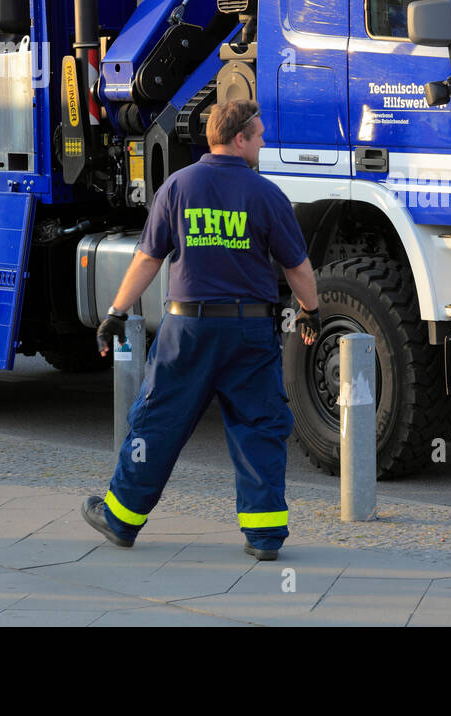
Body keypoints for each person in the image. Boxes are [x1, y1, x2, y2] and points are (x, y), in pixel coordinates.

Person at [80, 99, 320, 560]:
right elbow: (298, 268)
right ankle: (264, 534)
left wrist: (115, 311)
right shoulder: (267, 194)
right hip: (250, 332)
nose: (264, 142)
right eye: (259, 134)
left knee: (159, 421)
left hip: (186, 331)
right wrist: (310, 311)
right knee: (259, 426)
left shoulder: (178, 186)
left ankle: (121, 518)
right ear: (239, 138)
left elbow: (149, 258)